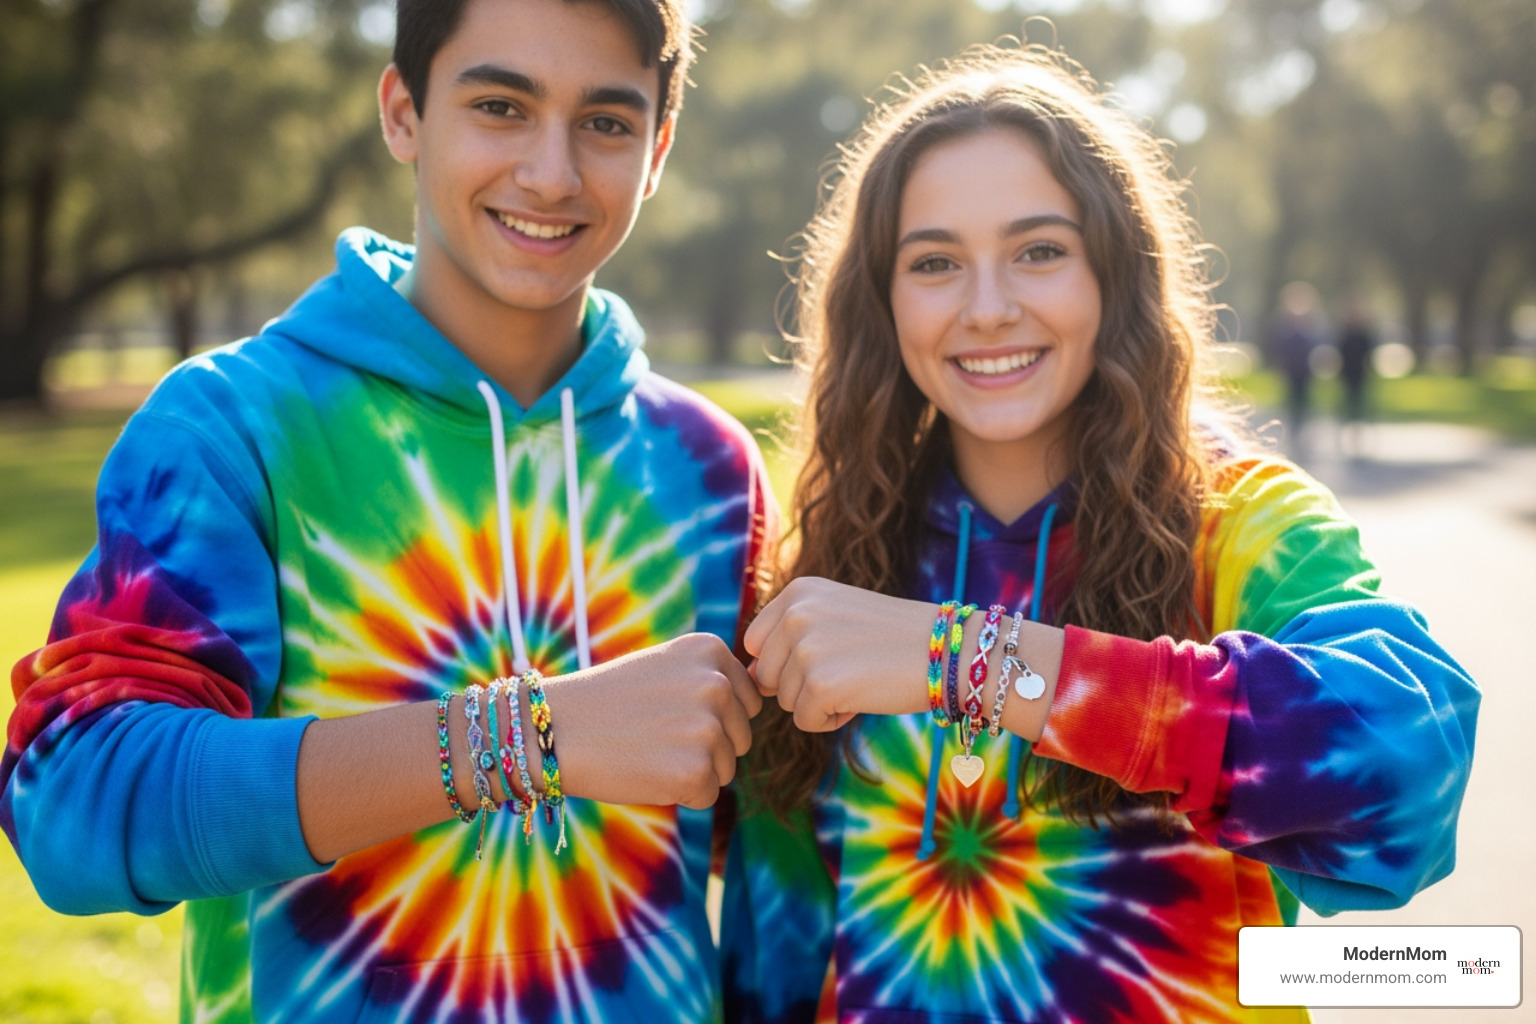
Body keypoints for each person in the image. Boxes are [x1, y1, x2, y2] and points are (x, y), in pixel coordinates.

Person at [1, 1, 773, 1021]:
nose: (552, 172)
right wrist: (530, 736)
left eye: (607, 122)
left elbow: (769, 856)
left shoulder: (710, 466)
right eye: (501, 106)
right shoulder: (234, 426)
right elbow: (76, 803)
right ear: (403, 112)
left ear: (659, 145)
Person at [722, 44, 1478, 1024]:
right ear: (883, 298)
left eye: (1039, 251)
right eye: (936, 262)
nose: (987, 309)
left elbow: (1406, 771)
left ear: (1113, 275)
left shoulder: (1239, 523)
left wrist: (973, 660)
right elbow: (775, 952)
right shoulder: (835, 555)